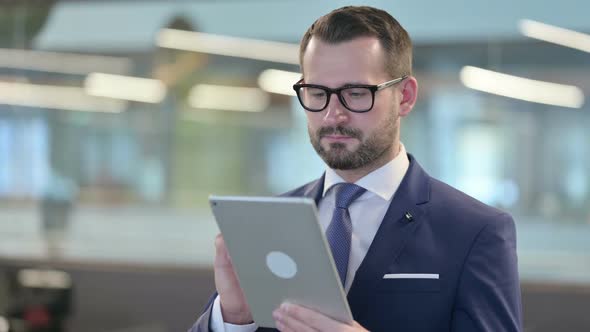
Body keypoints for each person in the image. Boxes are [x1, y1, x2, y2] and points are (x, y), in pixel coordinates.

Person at [189, 5, 522, 332]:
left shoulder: (475, 231)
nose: (334, 114)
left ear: (404, 97)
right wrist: (232, 320)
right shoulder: (274, 220)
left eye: (356, 93)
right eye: (318, 92)